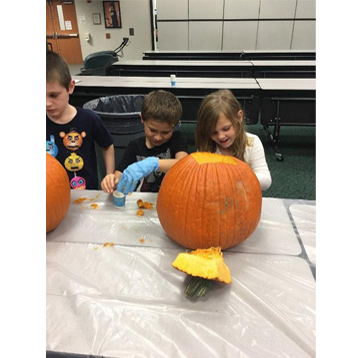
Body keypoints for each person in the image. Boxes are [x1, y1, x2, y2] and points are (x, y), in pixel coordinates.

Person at [46, 51, 115, 190]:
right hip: (50, 192)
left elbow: (107, 145)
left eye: (53, 95)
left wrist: (109, 174)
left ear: (70, 87)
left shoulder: (89, 119)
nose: (47, 103)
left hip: (86, 194)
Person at [101, 90, 188, 194]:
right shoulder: (134, 146)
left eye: (165, 132)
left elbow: (184, 165)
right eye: (153, 130)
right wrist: (111, 181)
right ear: (142, 119)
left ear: (175, 125)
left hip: (170, 199)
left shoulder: (177, 139)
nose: (158, 137)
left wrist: (153, 163)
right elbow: (118, 177)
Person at [195, 89, 272, 190]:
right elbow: (197, 179)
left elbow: (266, 180)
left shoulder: (251, 143)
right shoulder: (206, 147)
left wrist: (234, 179)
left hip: (245, 201)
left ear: (239, 117)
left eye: (226, 129)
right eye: (213, 132)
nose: (221, 136)